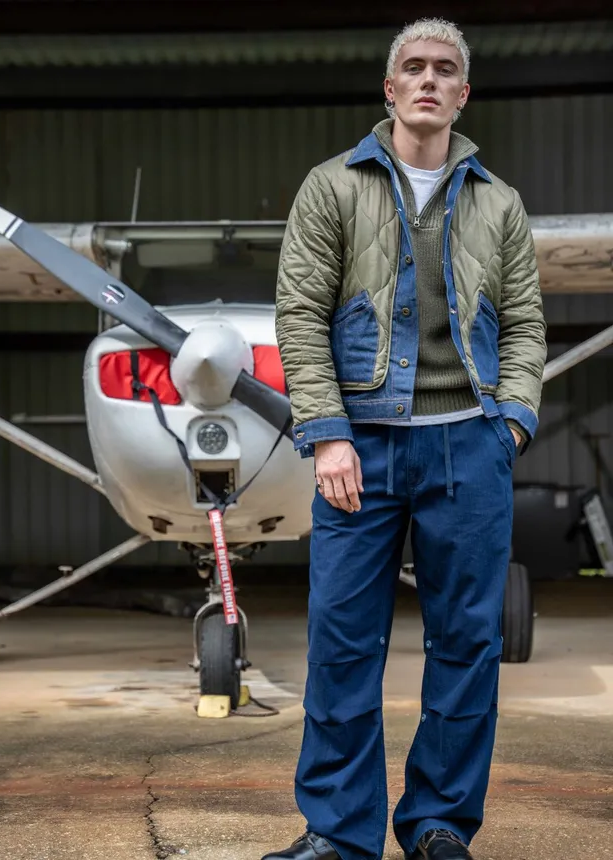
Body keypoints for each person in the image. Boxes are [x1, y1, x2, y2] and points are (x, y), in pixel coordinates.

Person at [269, 17, 547, 860]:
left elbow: (528, 322)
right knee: (343, 644)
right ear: (389, 91)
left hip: (471, 444)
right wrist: (326, 437)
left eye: (445, 70)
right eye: (413, 69)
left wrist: (513, 424)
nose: (428, 80)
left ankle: (437, 824)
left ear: (464, 95)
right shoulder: (332, 188)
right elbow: (301, 316)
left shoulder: (498, 203)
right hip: (363, 447)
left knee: (467, 642)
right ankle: (339, 835)